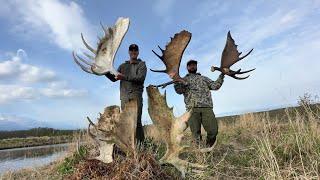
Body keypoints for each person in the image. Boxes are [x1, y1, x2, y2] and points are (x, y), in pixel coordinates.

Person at [173, 60, 224, 147]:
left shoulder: (204, 78)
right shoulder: (183, 80)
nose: (192, 66)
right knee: (195, 135)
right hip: (192, 110)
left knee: (213, 131)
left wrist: (222, 74)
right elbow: (179, 91)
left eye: (194, 65)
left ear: (196, 67)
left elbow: (215, 86)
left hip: (206, 108)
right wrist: (175, 80)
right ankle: (199, 153)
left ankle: (208, 148)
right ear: (187, 68)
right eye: (190, 65)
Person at [110, 44, 147, 143]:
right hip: (125, 97)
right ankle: (128, 146)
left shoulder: (142, 64)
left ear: (138, 52)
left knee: (137, 122)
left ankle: (141, 147)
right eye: (131, 50)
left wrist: (124, 77)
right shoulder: (122, 66)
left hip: (136, 96)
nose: (133, 52)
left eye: (135, 50)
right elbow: (113, 78)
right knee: (126, 122)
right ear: (129, 52)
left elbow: (140, 78)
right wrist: (104, 71)